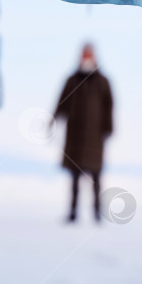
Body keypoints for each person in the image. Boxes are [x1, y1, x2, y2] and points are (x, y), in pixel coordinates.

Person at [54, 43, 113, 223]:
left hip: (95, 139)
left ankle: (97, 213)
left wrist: (108, 128)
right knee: (74, 178)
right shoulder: (72, 80)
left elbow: (109, 107)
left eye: (89, 56)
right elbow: (61, 103)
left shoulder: (102, 82)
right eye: (84, 56)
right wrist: (54, 119)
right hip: (75, 138)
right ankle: (73, 213)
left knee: (96, 178)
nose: (86, 59)